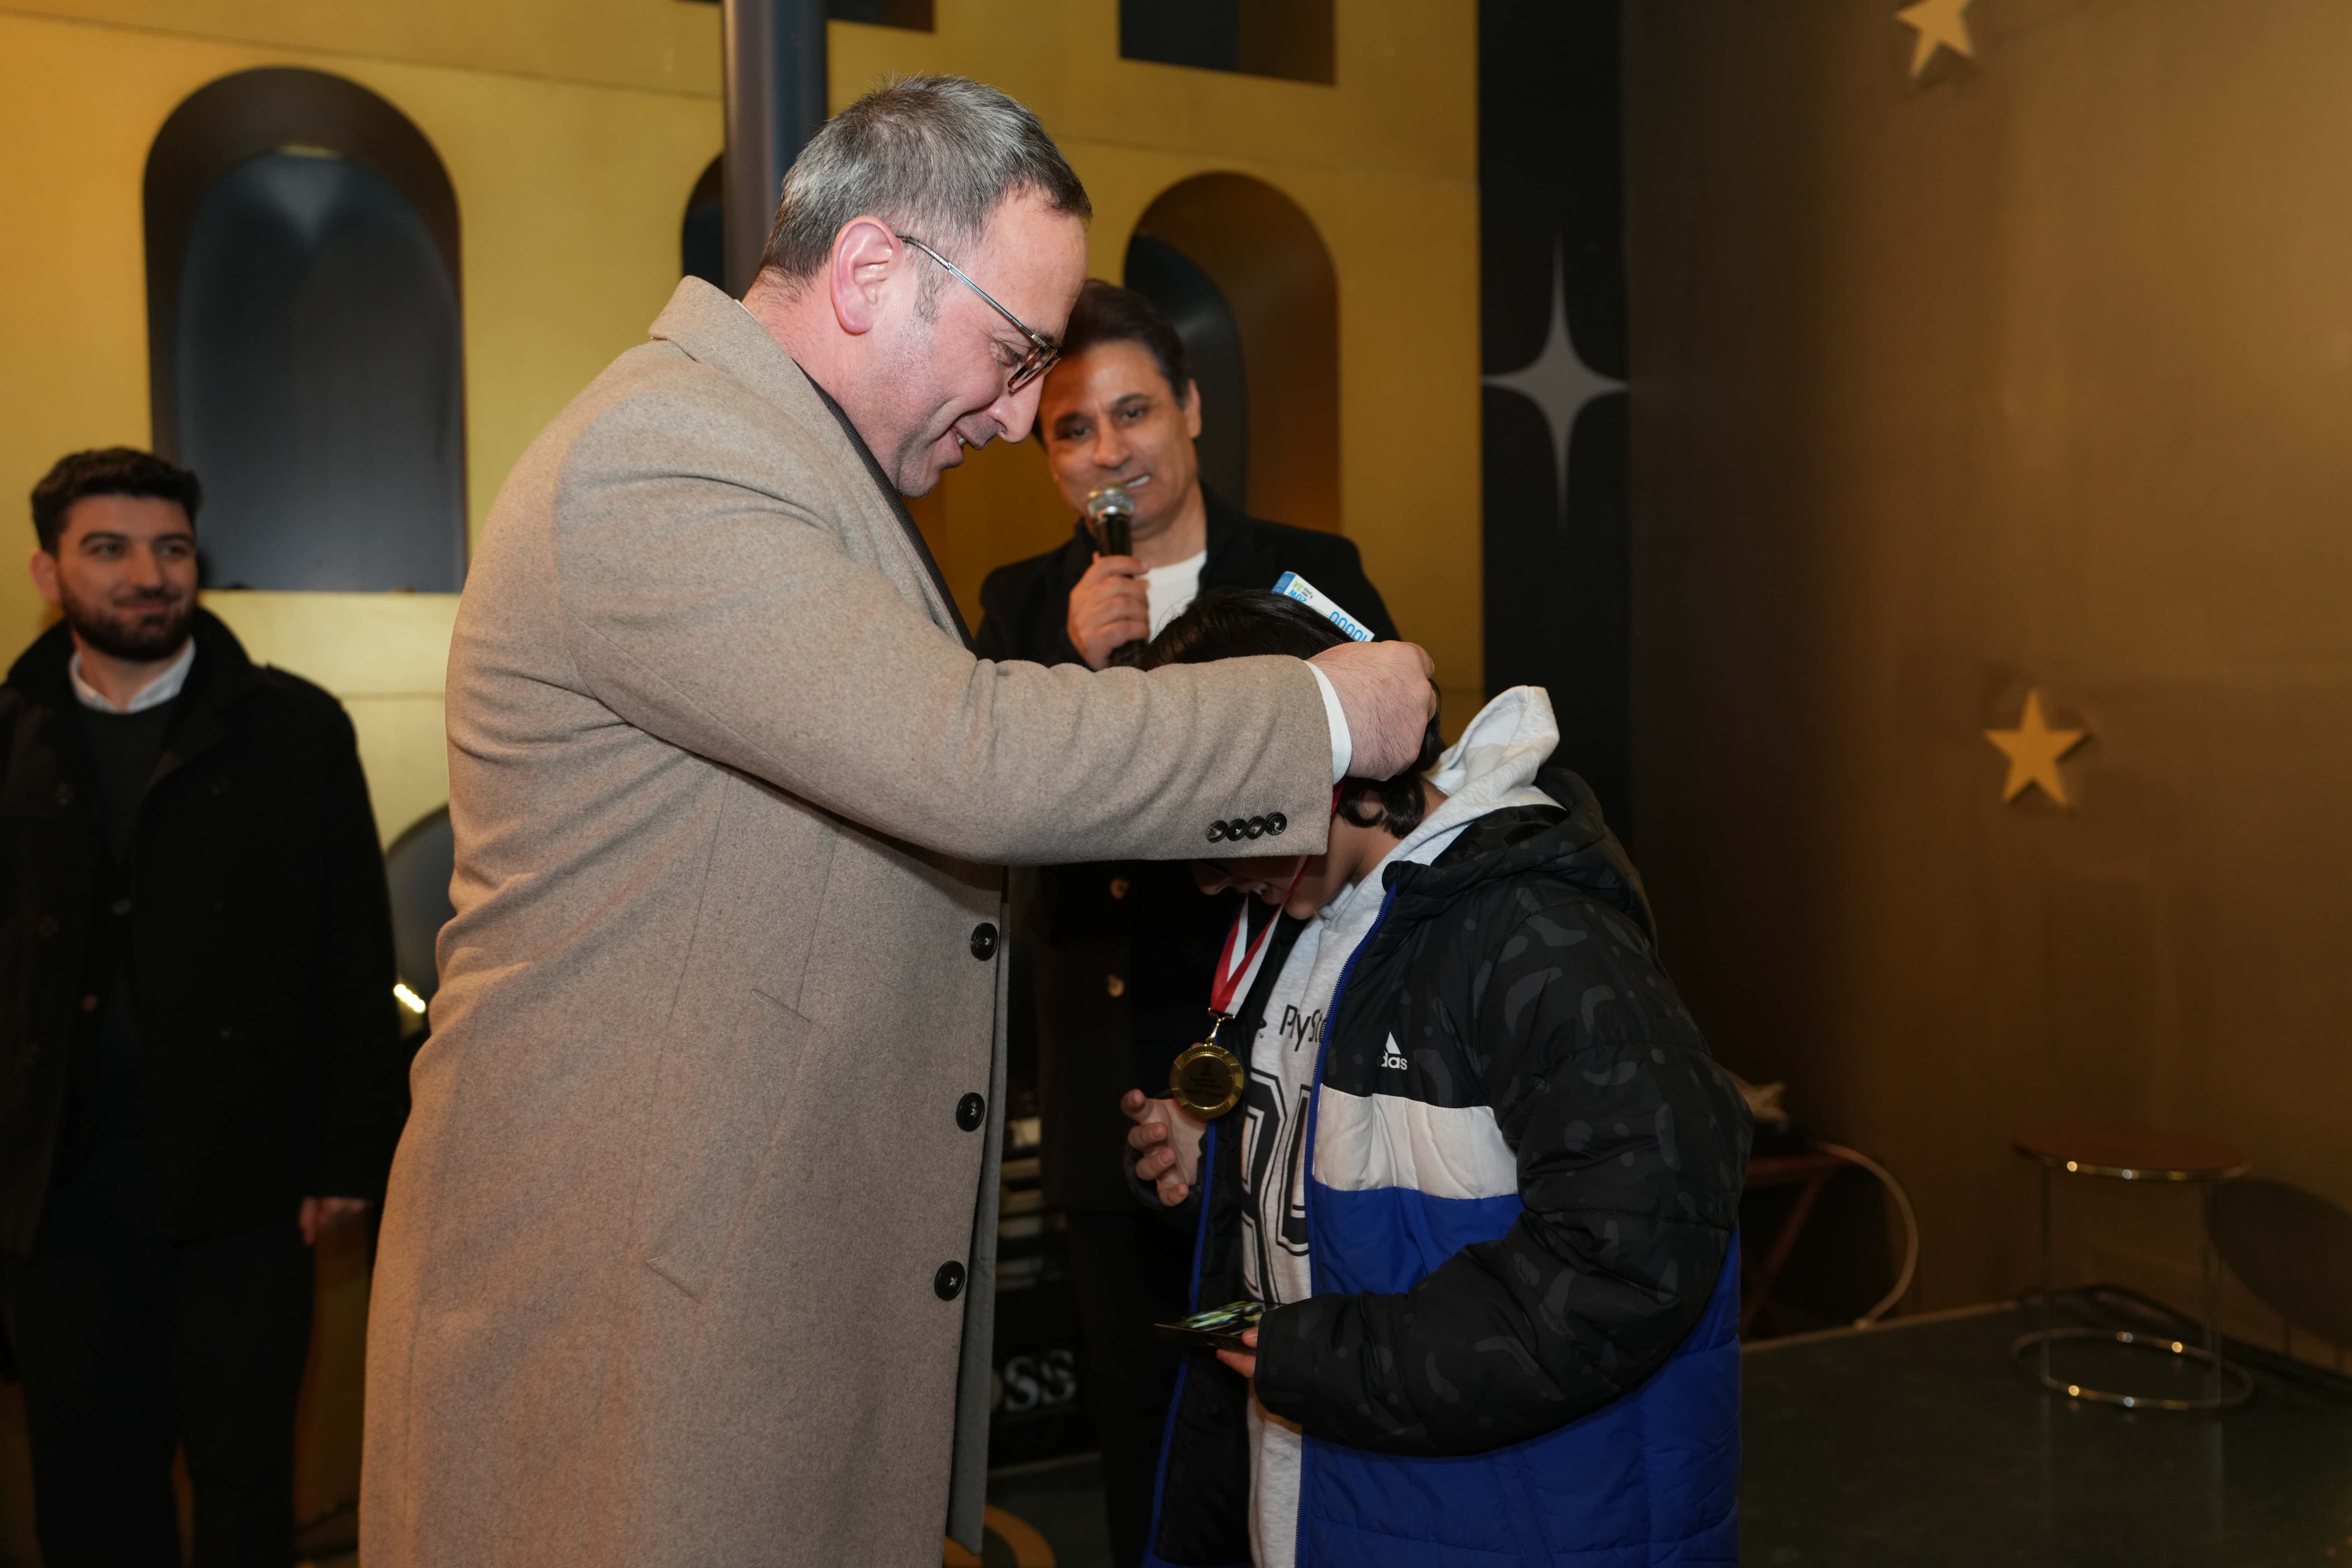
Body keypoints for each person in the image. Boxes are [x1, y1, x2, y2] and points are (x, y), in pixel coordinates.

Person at [359, 77, 1437, 1568]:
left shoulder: (793, 464)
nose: (1017, 418)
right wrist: (1316, 714)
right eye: (1016, 356)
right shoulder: (669, 452)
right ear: (870, 268)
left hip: (733, 1272)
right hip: (637, 1304)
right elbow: (963, 753)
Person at [1119, 590, 1752, 1567]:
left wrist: (1324, 1360)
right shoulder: (1305, 913)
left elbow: (1634, 1255)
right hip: (1332, 1504)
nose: (1205, 880)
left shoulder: (1539, 932)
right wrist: (1230, 1159)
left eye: (1215, 834)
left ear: (1323, 769)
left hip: (1517, 1519)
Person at [972, 280, 1398, 1567]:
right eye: (1072, 428)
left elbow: (1390, 770)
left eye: (1135, 412)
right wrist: (1071, 672)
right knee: (1145, 1438)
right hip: (1108, 1068)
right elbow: (994, 837)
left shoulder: (1309, 574)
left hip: (1284, 1055)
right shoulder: (1021, 607)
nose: (1109, 451)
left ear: (1194, 408)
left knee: (1306, 1416)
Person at [0, 447, 406, 1568]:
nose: (149, 574)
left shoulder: (297, 730)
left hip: (247, 1187)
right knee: (88, 1494)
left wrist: (347, 1152)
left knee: (246, 1489)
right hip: (55, 1192)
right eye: (110, 548)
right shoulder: (11, 732)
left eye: (171, 548)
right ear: (48, 571)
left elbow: (352, 948)